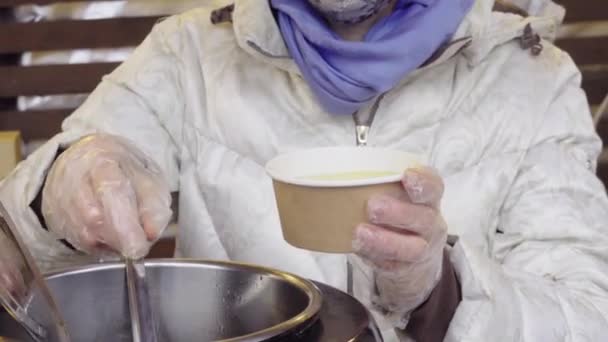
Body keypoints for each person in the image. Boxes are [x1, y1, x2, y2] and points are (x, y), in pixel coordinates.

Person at [1, 0, 607, 341]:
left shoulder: (534, 80)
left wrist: (437, 290)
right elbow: (12, 249)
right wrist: (59, 189)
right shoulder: (186, 57)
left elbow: (589, 317)